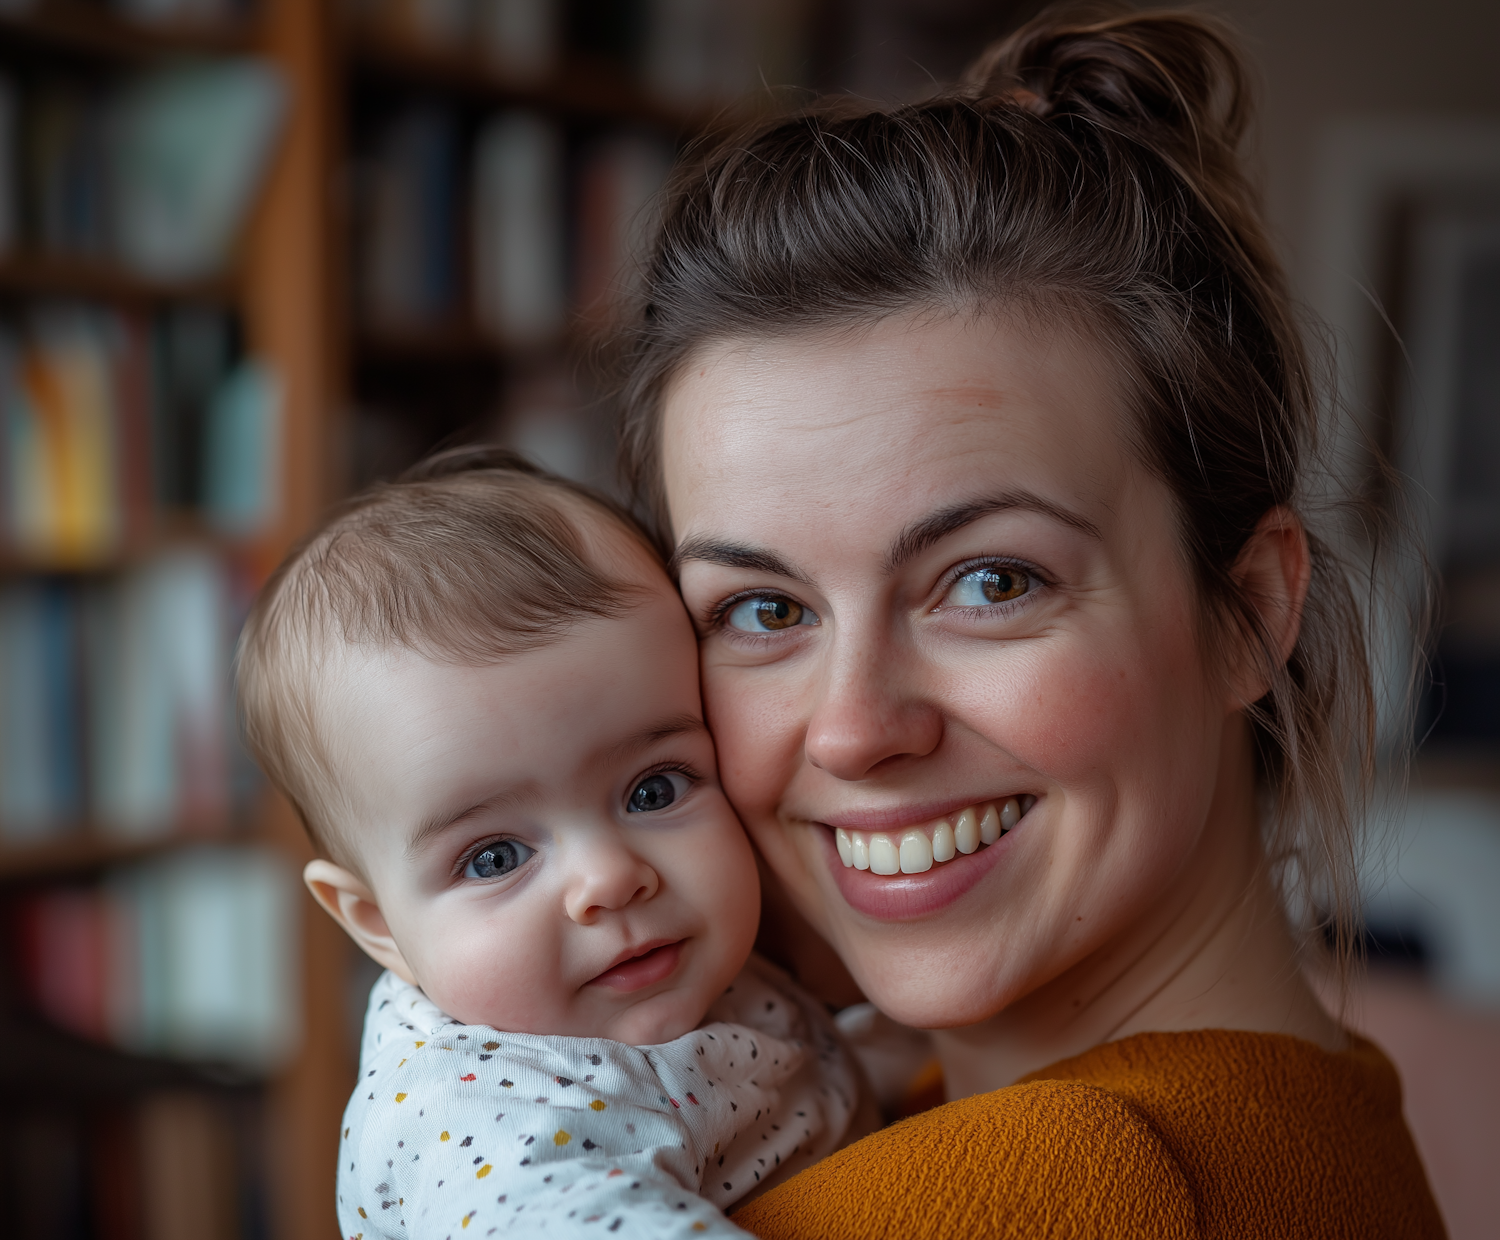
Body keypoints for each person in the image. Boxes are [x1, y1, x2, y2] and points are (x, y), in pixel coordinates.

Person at [616, 6, 1447, 1237]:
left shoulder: (1057, 1187)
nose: (852, 729)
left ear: (1253, 612)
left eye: (990, 581)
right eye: (764, 606)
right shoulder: (1316, 1107)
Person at [233, 450, 870, 1239]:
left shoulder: (679, 970)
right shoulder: (475, 1120)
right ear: (375, 924)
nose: (608, 879)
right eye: (495, 857)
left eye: (655, 790)